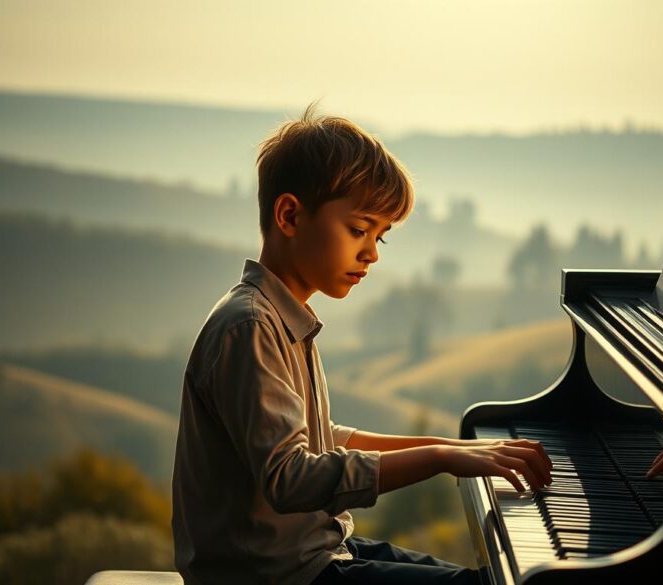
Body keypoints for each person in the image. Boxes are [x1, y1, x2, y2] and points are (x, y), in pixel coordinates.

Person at [171, 101, 553, 585]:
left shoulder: (280, 316)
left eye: (381, 237)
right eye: (358, 230)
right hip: (275, 575)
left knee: (491, 579)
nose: (371, 253)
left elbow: (321, 437)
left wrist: (454, 447)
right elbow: (290, 478)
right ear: (289, 215)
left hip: (312, 553)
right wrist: (441, 459)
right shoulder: (249, 327)